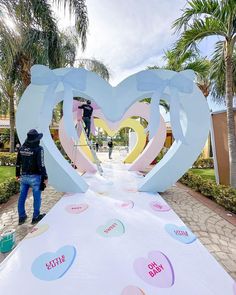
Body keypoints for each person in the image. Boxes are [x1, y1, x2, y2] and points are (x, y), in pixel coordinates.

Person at [16, 129, 48, 225]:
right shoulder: (39, 149)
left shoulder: (22, 148)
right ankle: (36, 216)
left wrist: (17, 174)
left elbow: (18, 163)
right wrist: (45, 177)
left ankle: (21, 217)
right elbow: (41, 164)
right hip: (35, 177)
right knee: (37, 197)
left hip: (24, 176)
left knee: (22, 196)